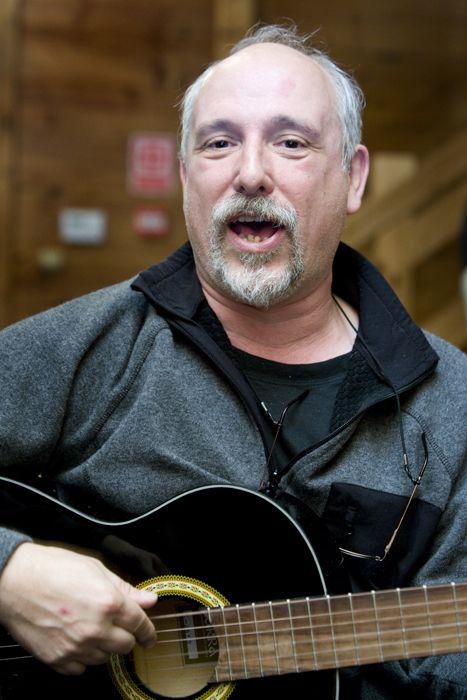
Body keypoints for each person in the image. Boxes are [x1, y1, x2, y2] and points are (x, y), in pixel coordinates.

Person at [0, 22, 466, 700]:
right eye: (219, 143)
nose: (250, 173)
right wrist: (9, 572)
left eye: (290, 142)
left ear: (353, 177)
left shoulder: (450, 404)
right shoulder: (88, 345)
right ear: (186, 176)